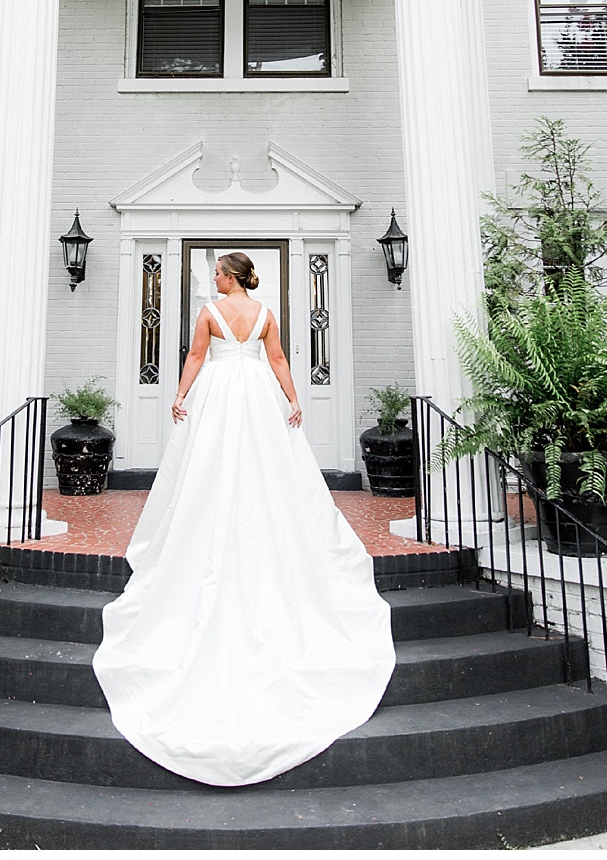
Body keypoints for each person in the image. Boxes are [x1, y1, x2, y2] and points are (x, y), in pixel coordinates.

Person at [92, 251, 394, 787]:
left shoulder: (210, 311)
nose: (212, 279)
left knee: (209, 464)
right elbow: (277, 361)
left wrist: (181, 395)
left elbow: (194, 359)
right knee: (264, 464)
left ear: (227, 277)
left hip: (218, 394)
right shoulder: (264, 314)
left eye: (216, 274)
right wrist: (294, 401)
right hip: (255, 394)